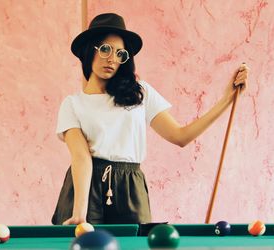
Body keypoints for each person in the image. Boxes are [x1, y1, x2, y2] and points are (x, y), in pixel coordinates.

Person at [51, 13, 249, 225]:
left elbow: (180, 136)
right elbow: (81, 158)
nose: (112, 59)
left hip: (130, 186)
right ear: (89, 51)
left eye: (120, 53)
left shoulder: (140, 93)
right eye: (106, 49)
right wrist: (80, 212)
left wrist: (226, 100)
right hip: (85, 188)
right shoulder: (72, 104)